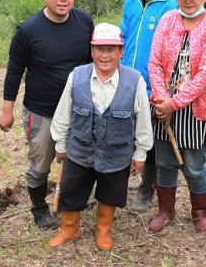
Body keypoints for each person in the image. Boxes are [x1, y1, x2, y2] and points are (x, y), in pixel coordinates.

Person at [0, 0, 94, 228]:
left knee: (80, 159)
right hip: (42, 110)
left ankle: (73, 200)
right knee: (40, 163)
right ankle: (39, 208)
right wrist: (7, 110)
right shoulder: (28, 30)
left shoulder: (84, 21)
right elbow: (14, 72)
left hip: (78, 109)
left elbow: (91, 62)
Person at [46, 23, 154, 251]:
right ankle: (69, 229)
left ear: (121, 52)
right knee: (72, 190)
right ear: (92, 50)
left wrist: (141, 152)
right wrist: (61, 144)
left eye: (111, 49)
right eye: (100, 49)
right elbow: (63, 114)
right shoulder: (77, 76)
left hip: (117, 153)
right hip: (79, 150)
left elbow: (143, 122)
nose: (105, 55)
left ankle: (103, 232)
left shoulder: (135, 81)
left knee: (110, 193)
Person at [146, 0, 206, 234]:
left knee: (193, 163)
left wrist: (176, 103)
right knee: (165, 161)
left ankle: (200, 211)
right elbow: (155, 62)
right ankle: (165, 210)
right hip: (164, 104)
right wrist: (161, 99)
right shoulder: (168, 20)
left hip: (196, 107)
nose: (188, 0)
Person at [118, 0, 178, 212]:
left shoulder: (173, 1)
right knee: (120, 136)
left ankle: (145, 191)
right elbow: (123, 36)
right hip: (126, 81)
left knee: (152, 141)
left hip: (156, 84)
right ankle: (116, 187)